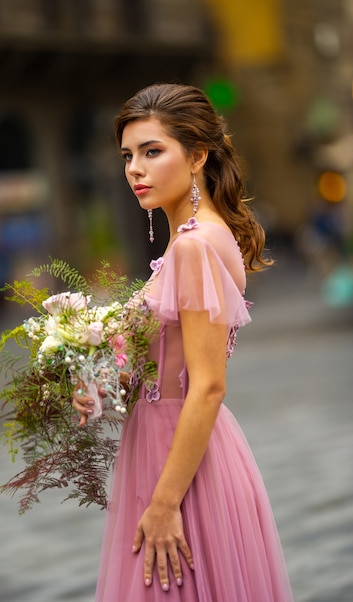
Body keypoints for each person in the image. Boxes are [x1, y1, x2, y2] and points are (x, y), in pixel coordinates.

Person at [73, 83, 294, 601]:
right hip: (168, 446)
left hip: (179, 462)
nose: (135, 168)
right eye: (128, 155)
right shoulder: (197, 238)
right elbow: (165, 363)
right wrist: (101, 383)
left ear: (197, 156)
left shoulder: (194, 247)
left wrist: (166, 503)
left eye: (152, 151)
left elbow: (209, 385)